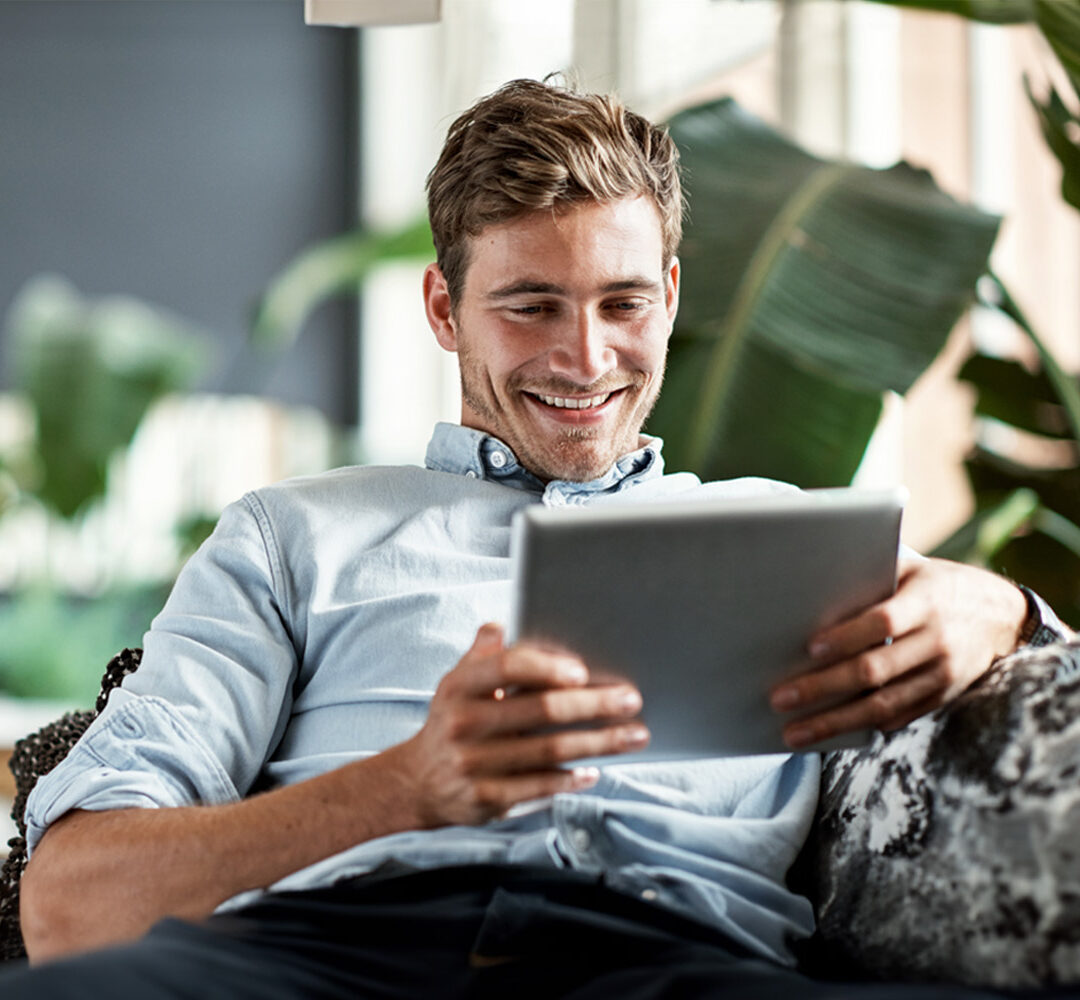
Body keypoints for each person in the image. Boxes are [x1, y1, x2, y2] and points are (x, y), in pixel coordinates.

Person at [2, 78, 1067, 999]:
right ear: (443, 307)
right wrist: (406, 785)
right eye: (530, 306)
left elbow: (979, 637)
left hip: (679, 965)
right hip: (328, 956)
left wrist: (1003, 606)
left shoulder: (786, 530)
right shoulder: (291, 536)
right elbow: (70, 907)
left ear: (672, 297)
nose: (585, 357)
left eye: (623, 303)